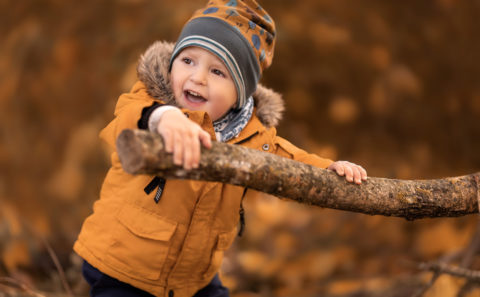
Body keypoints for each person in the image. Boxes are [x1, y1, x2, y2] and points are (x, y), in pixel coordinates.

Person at [73, 1, 368, 296]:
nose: (198, 77)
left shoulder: (252, 137)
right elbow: (127, 117)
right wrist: (163, 118)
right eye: (188, 61)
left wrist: (329, 169)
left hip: (194, 279)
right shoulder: (149, 101)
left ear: (240, 94)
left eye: (217, 71)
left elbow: (290, 160)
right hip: (122, 265)